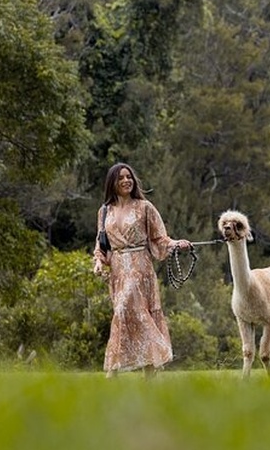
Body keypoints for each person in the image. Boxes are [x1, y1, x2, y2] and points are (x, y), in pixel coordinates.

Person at [93, 162, 192, 378]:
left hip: (140, 267)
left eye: (129, 177)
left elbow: (159, 238)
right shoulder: (104, 211)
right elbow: (101, 244)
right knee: (125, 313)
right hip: (118, 270)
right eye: (121, 178)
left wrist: (176, 244)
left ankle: (113, 372)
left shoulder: (144, 207)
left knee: (126, 311)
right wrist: (99, 262)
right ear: (112, 183)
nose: (126, 181)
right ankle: (148, 370)